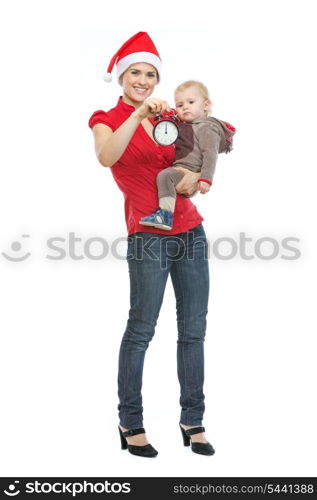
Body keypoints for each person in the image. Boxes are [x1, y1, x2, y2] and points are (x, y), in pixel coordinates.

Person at [88, 31, 215, 457]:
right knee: (141, 330)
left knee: (193, 331)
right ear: (123, 75)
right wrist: (137, 112)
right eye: (136, 73)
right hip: (148, 236)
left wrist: (194, 181)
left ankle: (192, 419)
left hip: (190, 232)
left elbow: (184, 165)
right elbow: (108, 157)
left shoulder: (170, 118)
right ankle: (131, 422)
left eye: (151, 74)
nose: (143, 80)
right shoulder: (106, 117)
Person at [140, 80, 236, 230]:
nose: (184, 107)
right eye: (179, 105)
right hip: (181, 169)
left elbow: (210, 154)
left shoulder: (207, 127)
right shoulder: (185, 125)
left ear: (206, 105)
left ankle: (165, 215)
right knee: (162, 177)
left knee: (165, 176)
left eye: (190, 102)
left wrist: (206, 178)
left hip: (189, 171)